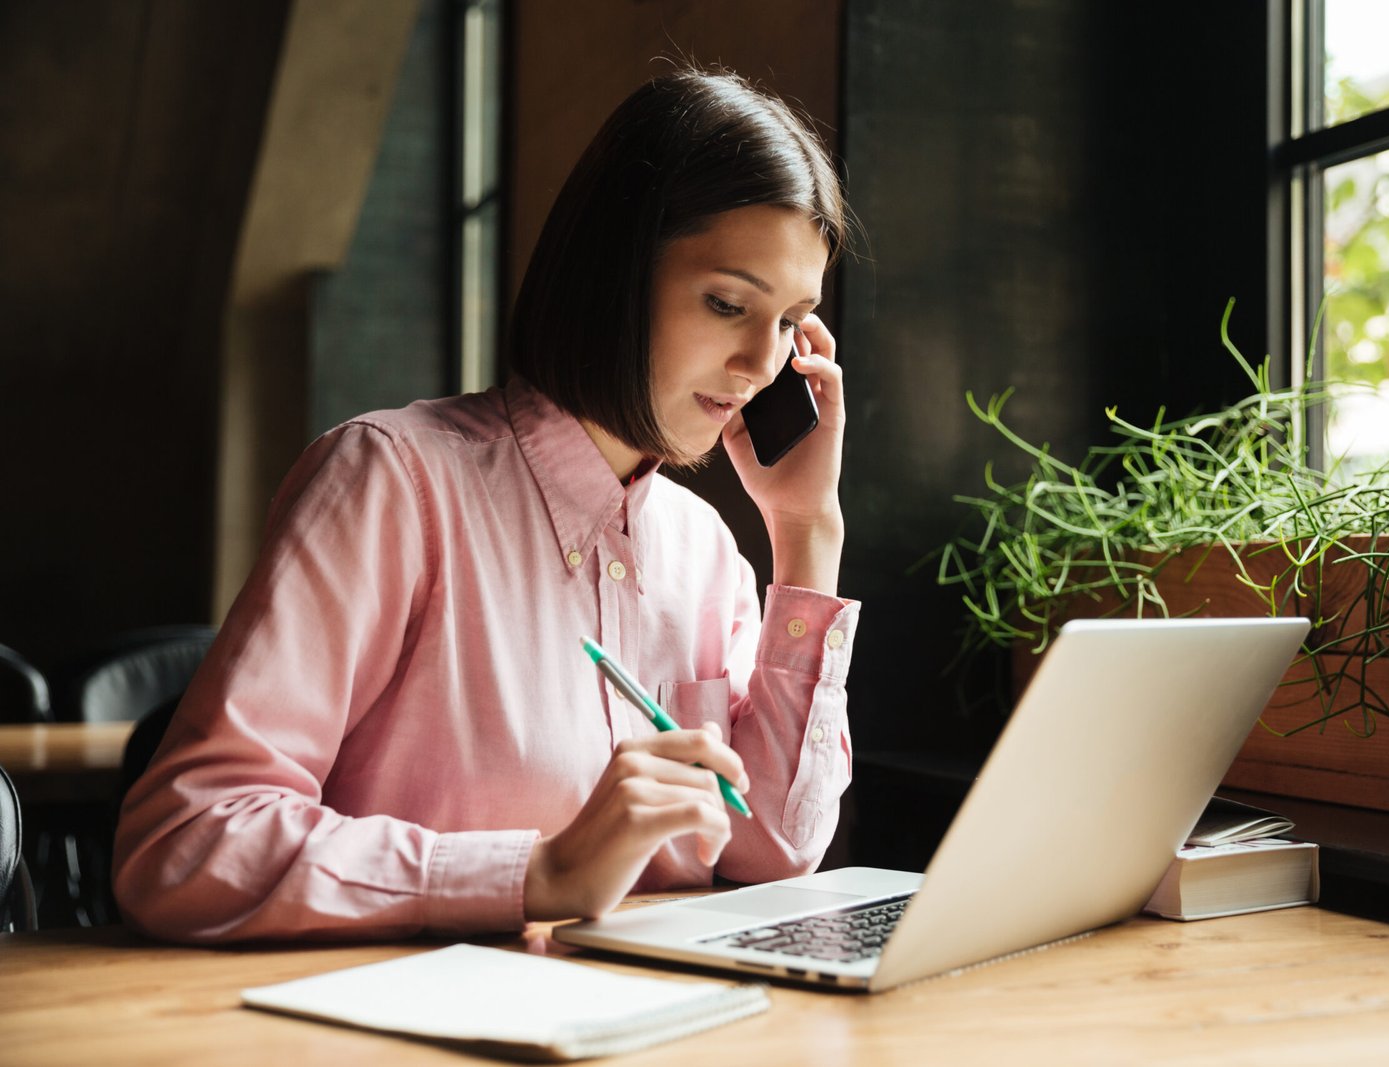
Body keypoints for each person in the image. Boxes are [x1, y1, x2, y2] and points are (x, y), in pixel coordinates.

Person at [111, 66, 859, 942]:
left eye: (790, 322)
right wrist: (537, 872)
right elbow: (185, 840)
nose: (760, 364)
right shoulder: (391, 484)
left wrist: (806, 533)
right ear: (616, 273)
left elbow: (771, 844)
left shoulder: (702, 551)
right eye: (728, 303)